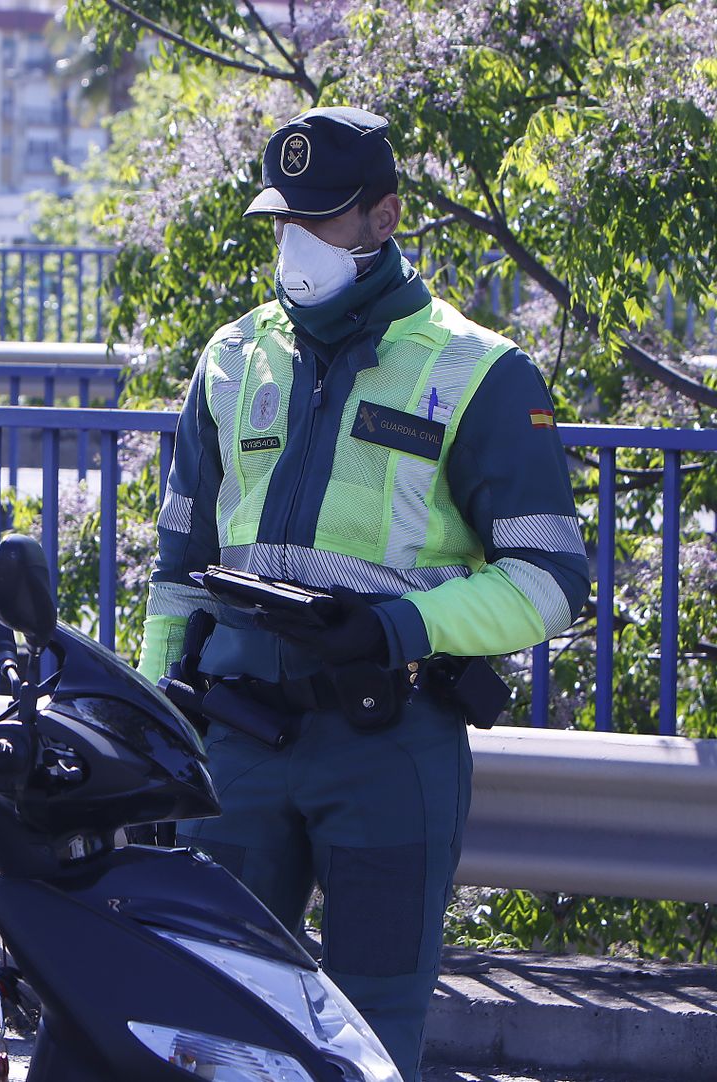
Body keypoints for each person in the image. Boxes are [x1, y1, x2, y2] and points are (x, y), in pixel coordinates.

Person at [135, 106, 588, 1080]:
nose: (295, 241)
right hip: (237, 736)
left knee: (372, 1040)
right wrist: (155, 722)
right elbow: (178, 572)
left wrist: (397, 625)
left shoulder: (482, 372)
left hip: (389, 743)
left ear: (385, 217)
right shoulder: (231, 358)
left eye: (321, 217)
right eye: (283, 219)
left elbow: (551, 583)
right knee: (207, 1028)